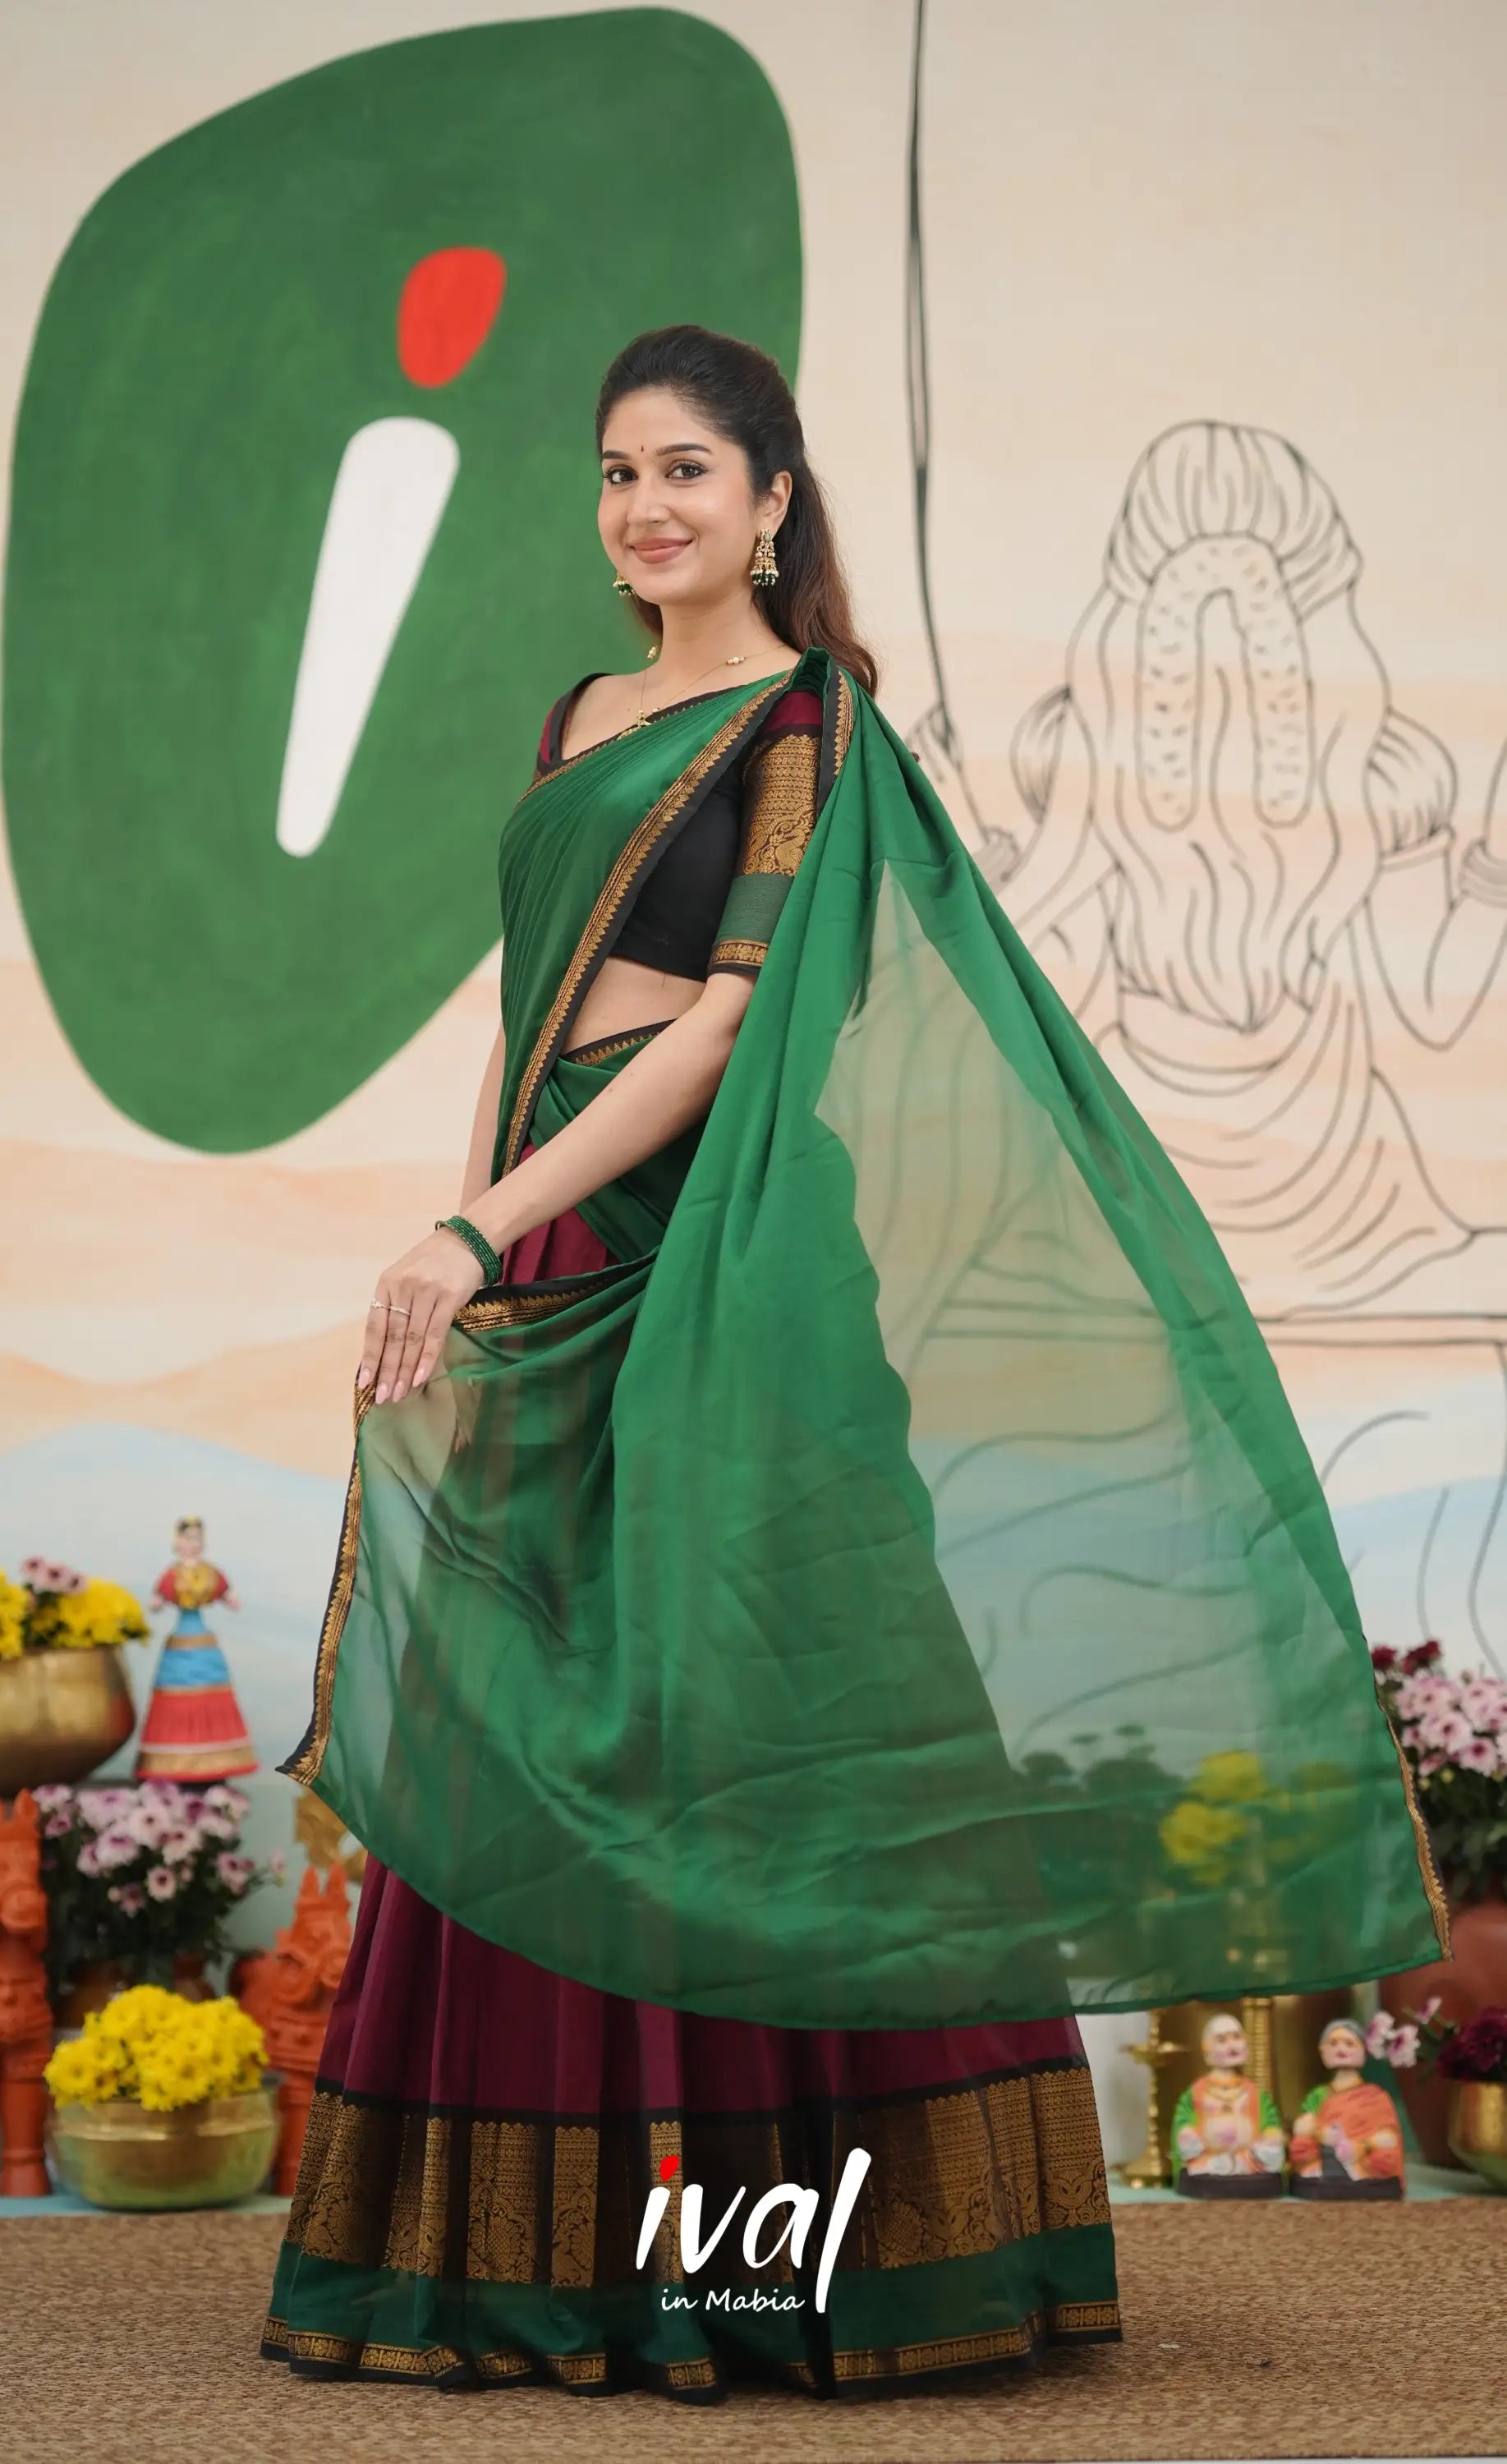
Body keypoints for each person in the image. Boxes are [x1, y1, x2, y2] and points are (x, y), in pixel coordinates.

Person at [262, 328, 1444, 2405]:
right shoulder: (582, 711)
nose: (647, 508)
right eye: (618, 472)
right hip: (552, 1228)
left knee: (767, 1697)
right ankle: (529, 2249)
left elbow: (721, 1025)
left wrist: (483, 1224)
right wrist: (480, 1245)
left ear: (775, 499)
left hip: (729, 1248)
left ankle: (781, 2255)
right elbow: (524, 1011)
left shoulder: (807, 722)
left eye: (690, 471)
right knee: (536, 1714)